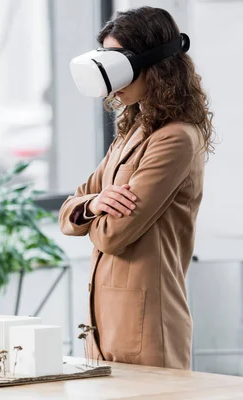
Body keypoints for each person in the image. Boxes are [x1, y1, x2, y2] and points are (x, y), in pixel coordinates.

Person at [59, 7, 215, 369]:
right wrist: (96, 201)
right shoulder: (132, 131)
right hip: (103, 323)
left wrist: (92, 211)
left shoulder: (176, 138)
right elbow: (69, 212)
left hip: (147, 327)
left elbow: (113, 236)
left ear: (154, 64)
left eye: (118, 64)